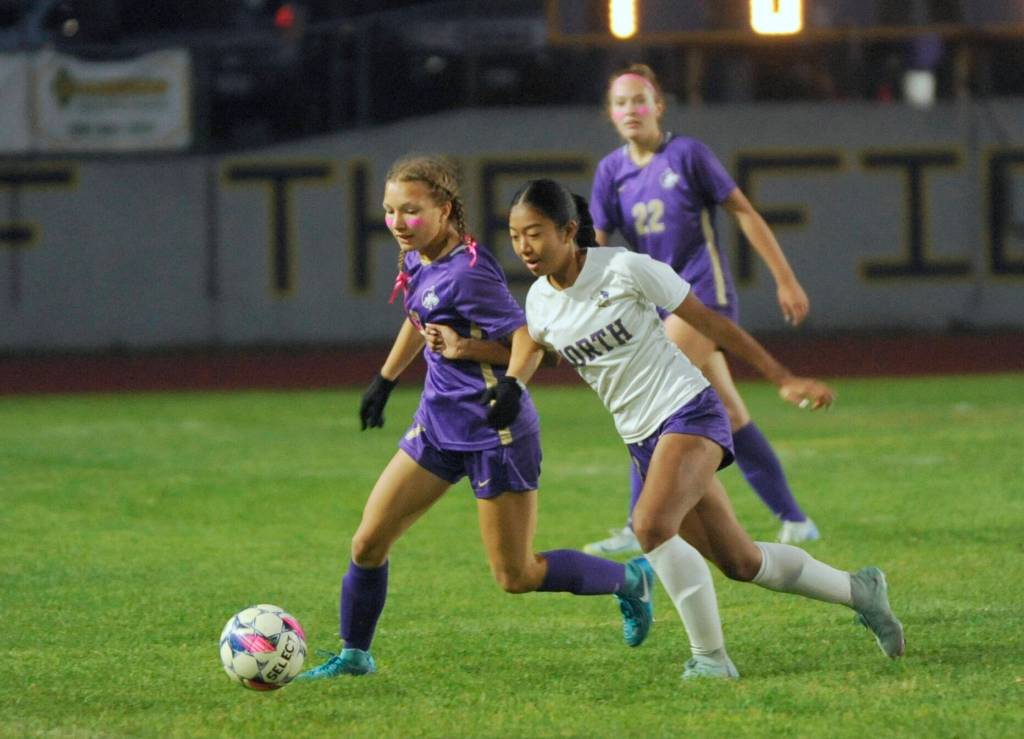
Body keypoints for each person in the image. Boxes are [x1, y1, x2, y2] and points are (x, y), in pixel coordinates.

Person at [491, 179, 904, 678]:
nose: (524, 247)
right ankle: (860, 590)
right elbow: (534, 343)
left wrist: (782, 376)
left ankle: (711, 660)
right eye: (515, 237)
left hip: (688, 410)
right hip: (641, 439)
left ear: (569, 230)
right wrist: (510, 379)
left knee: (649, 525)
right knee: (740, 561)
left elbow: (711, 324)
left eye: (534, 233)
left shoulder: (624, 268)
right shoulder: (538, 300)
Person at [298, 156, 655, 681]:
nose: (398, 222)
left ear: (444, 210)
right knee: (368, 543)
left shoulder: (470, 272)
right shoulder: (417, 258)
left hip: (496, 433)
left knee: (516, 575)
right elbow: (421, 317)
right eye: (390, 211)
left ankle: (629, 580)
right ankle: (355, 656)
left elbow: (529, 341)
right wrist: (386, 379)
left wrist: (507, 382)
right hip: (437, 427)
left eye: (411, 211)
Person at [585, 63, 820, 555]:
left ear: (658, 106)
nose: (631, 109)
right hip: (658, 308)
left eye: (639, 99)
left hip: (702, 298)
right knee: (730, 415)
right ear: (610, 113)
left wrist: (785, 278)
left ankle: (637, 525)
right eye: (621, 102)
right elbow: (596, 243)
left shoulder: (687, 154)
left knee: (649, 397)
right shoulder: (612, 171)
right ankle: (795, 520)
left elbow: (744, 212)